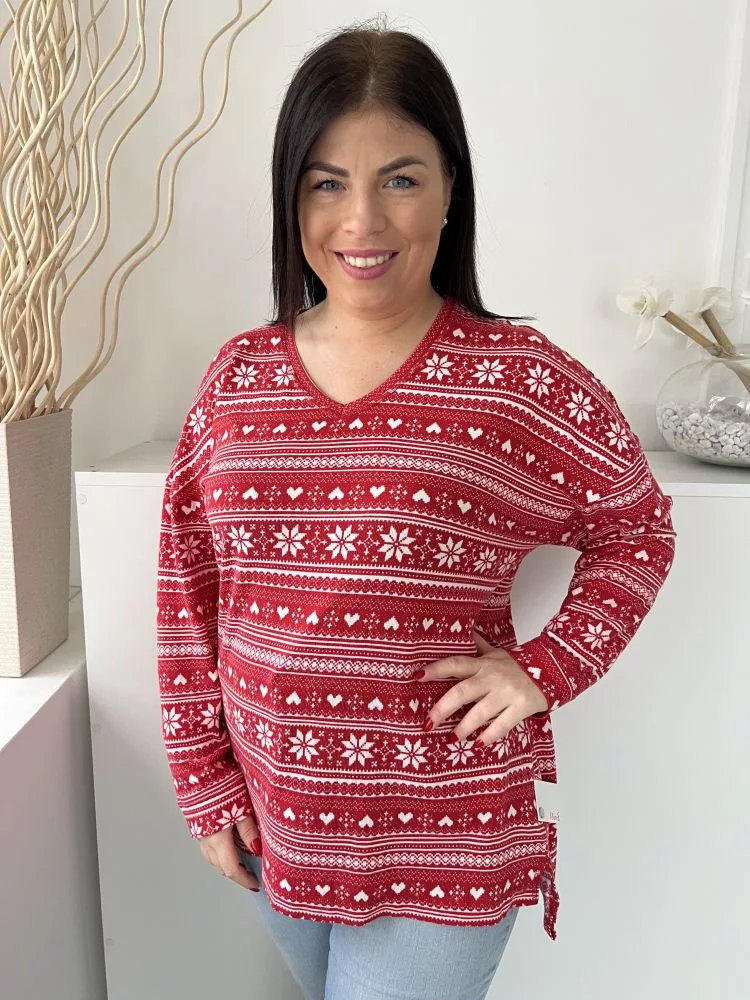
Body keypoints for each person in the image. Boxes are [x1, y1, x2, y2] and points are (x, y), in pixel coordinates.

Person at [156, 21, 676, 1000]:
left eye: (399, 178)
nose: (361, 219)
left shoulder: (516, 382)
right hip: (276, 822)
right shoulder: (237, 379)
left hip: (446, 836)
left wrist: (543, 670)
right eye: (327, 183)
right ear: (291, 198)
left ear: (449, 190)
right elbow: (188, 586)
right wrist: (203, 779)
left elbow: (636, 527)